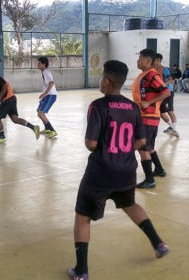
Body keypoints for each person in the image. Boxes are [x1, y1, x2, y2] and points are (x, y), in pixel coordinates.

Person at [68, 60, 169, 280]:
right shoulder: (133, 107)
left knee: (83, 216)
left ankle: (82, 271)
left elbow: (91, 144)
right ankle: (158, 243)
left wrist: (108, 147)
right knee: (130, 204)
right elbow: (141, 141)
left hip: (100, 172)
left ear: (105, 81)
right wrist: (123, 148)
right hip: (126, 170)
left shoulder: (98, 106)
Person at [131, 49, 170, 188]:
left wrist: (148, 103)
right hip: (144, 116)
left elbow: (166, 92)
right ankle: (159, 169)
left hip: (148, 116)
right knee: (148, 146)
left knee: (143, 148)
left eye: (140, 58)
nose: (138, 60)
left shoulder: (152, 75)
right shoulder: (145, 74)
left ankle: (149, 179)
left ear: (147, 61)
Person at [0, 65, 40, 144]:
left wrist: (0, 98)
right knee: (15, 119)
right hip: (11, 98)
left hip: (7, 99)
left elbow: (5, 85)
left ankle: (2, 137)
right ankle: (34, 128)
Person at [154, 53, 179, 138]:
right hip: (160, 93)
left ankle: (175, 130)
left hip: (168, 92)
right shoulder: (153, 70)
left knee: (170, 111)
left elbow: (170, 80)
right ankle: (171, 127)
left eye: (154, 60)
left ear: (158, 60)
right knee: (160, 112)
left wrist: (162, 85)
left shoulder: (164, 69)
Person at [36, 56, 58, 138]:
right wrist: (44, 96)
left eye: (39, 63)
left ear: (44, 64)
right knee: (39, 111)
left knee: (41, 113)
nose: (37, 64)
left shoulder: (46, 72)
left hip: (50, 95)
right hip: (47, 95)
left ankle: (53, 131)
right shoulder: (44, 72)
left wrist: (44, 94)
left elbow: (52, 83)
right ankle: (47, 129)